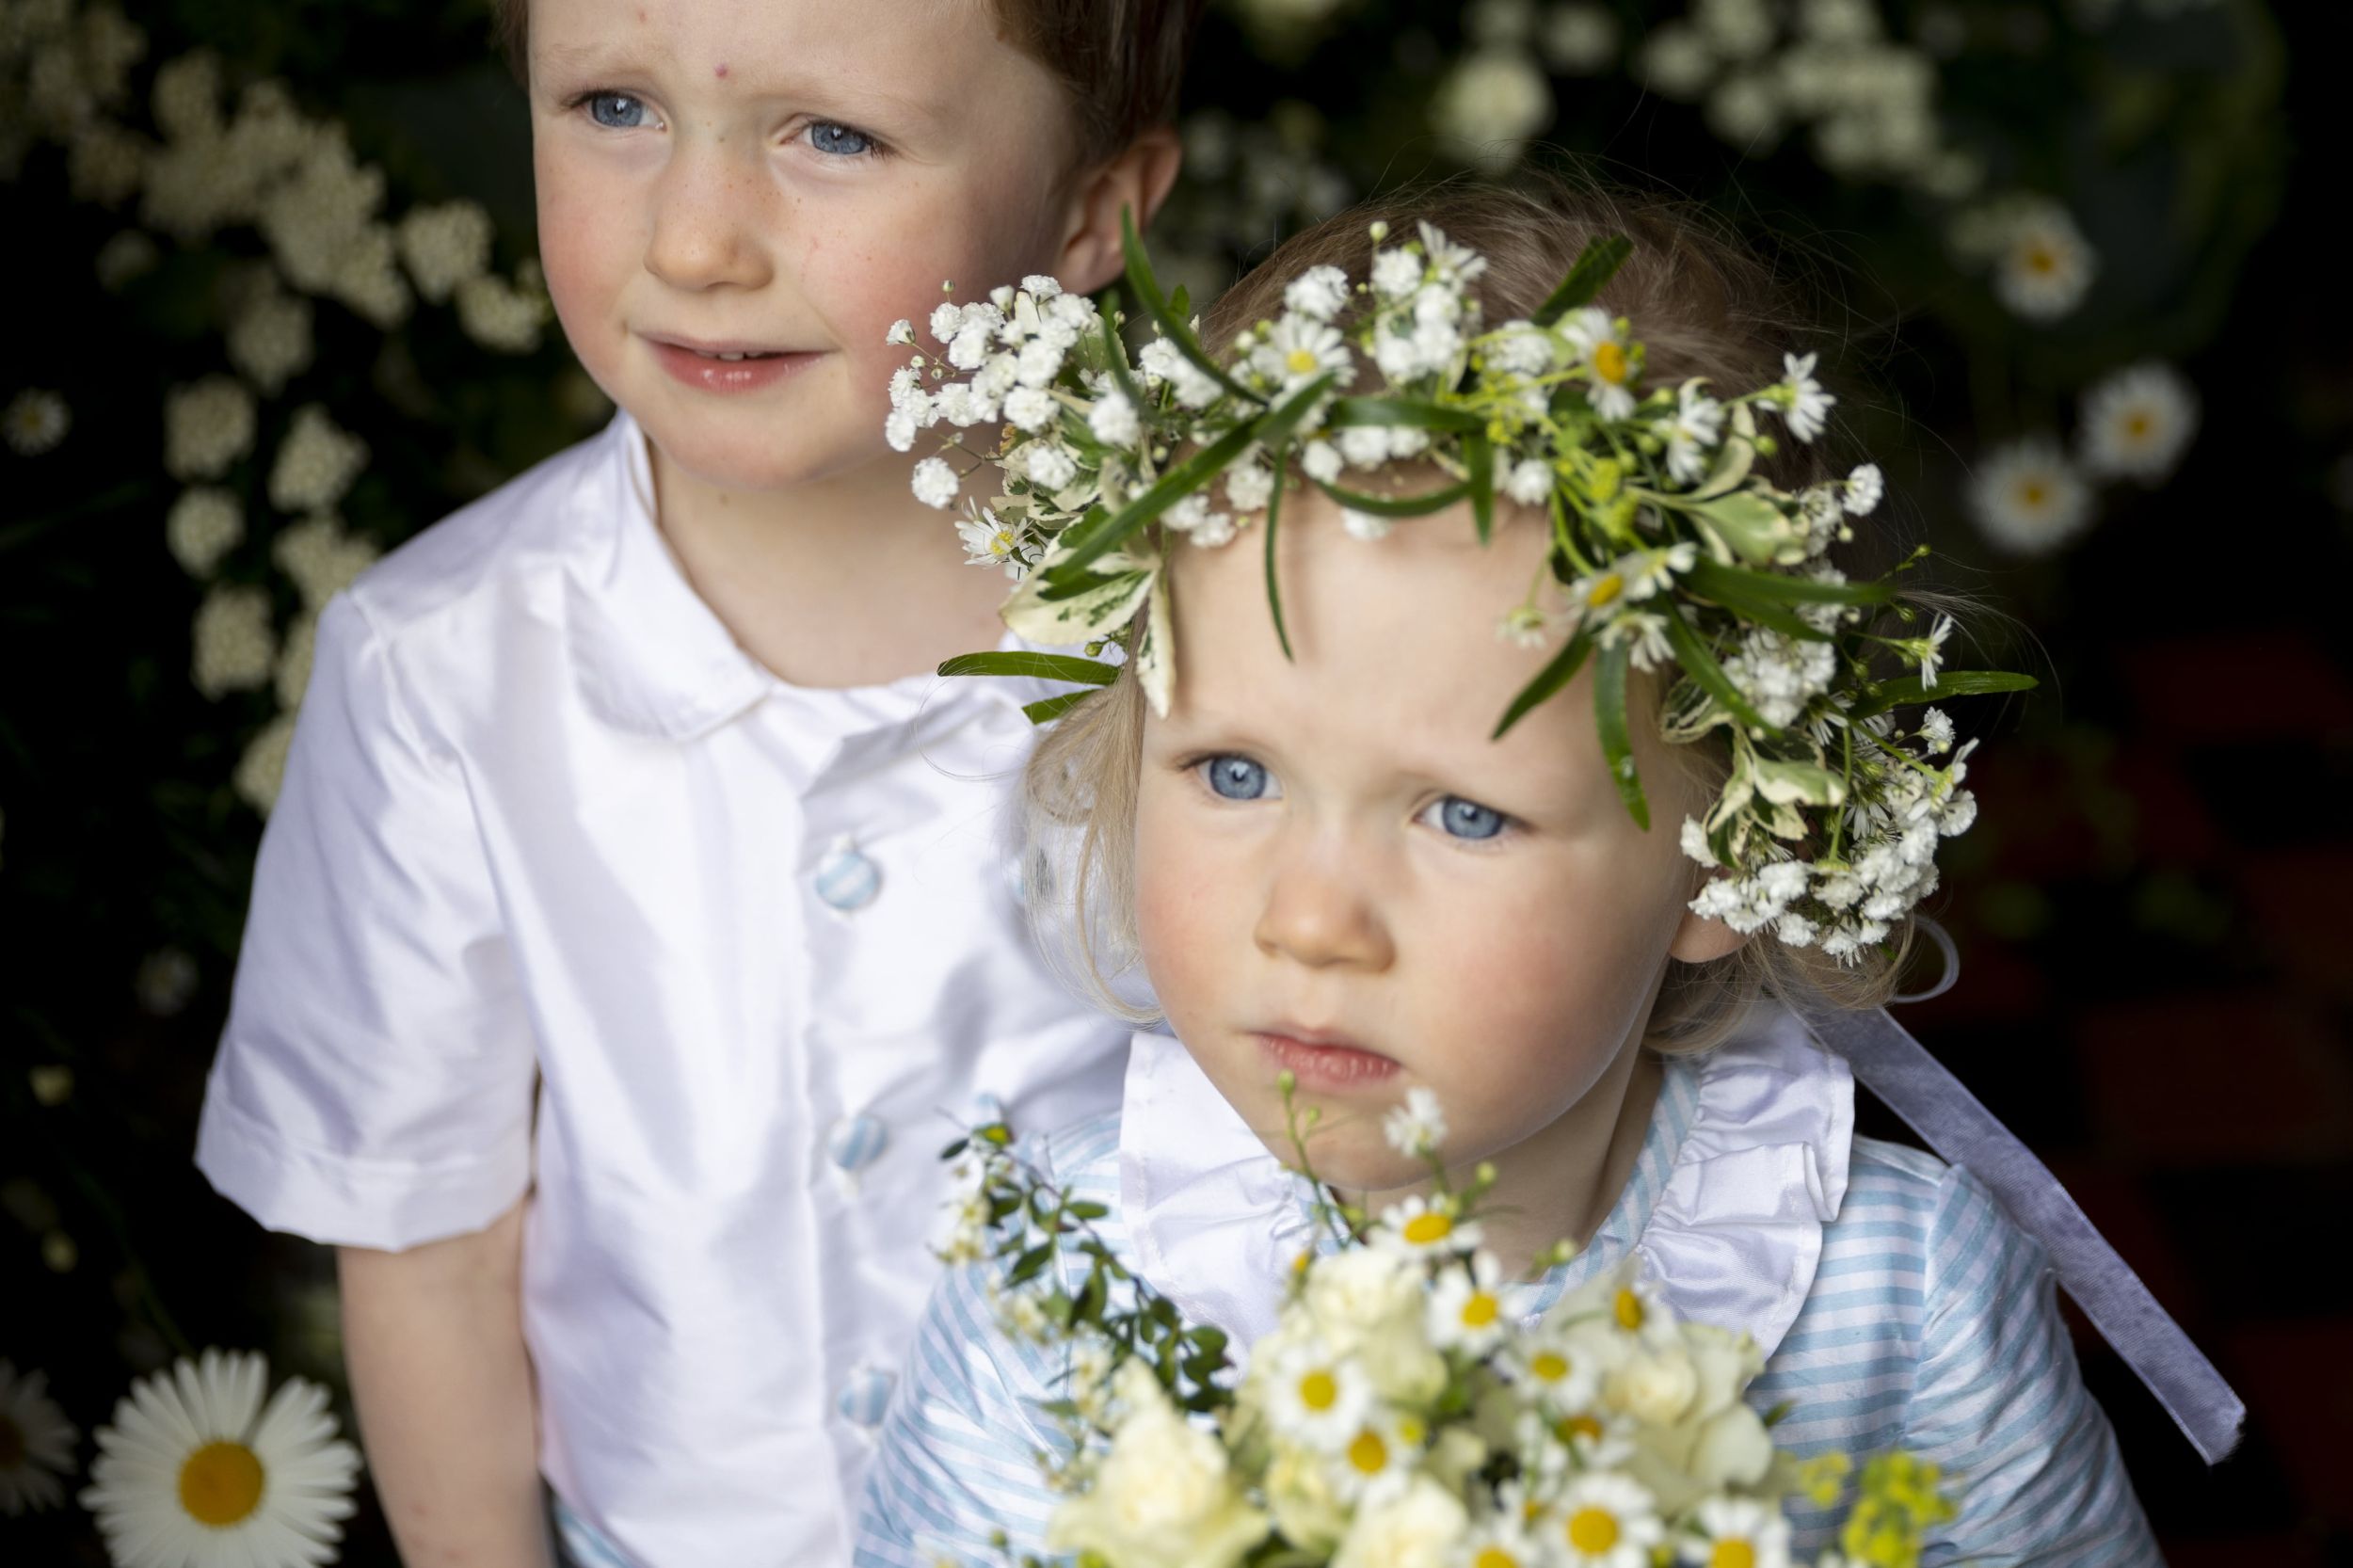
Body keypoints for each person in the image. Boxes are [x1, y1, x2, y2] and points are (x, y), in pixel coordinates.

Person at [853, 181, 2161, 1564]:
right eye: (1235, 774)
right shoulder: (1058, 1284)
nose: (1309, 921)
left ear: (1731, 859)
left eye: (1464, 816)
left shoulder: (1903, 1305)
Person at [193, 2, 1200, 1563]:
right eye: (611, 107)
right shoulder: (440, 674)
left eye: (835, 136)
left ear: (1090, 215)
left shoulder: (1230, 609)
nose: (698, 238)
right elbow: (428, 1247)